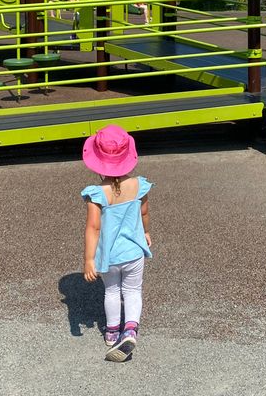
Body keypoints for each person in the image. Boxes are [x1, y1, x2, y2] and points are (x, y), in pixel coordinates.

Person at [82, 125, 153, 363]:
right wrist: (146, 232)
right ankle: (130, 329)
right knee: (132, 290)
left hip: (109, 256)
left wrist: (89, 259)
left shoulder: (97, 194)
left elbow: (93, 227)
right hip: (134, 252)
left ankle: (112, 333)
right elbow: (144, 213)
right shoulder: (140, 185)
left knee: (112, 290)